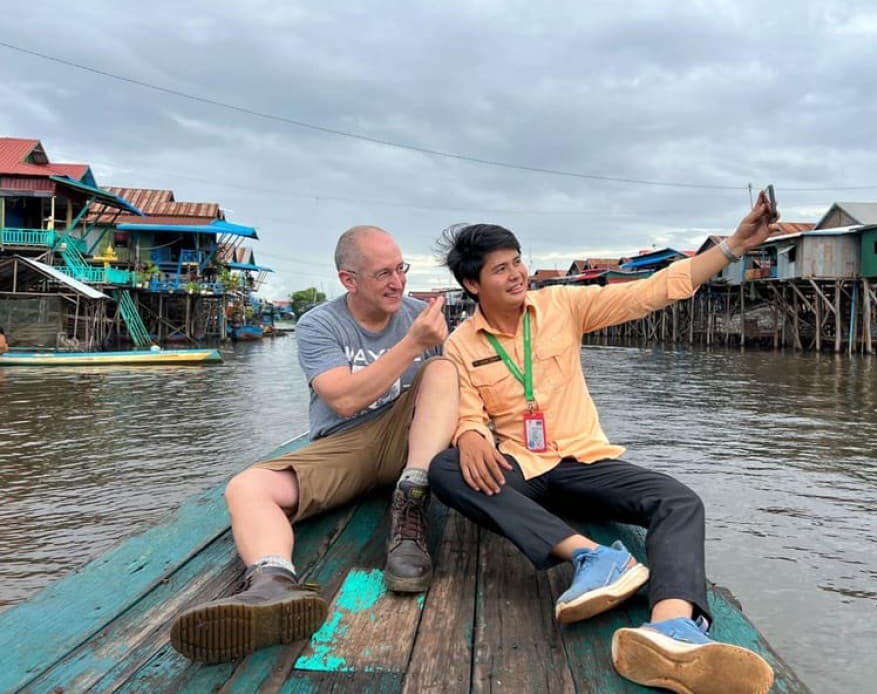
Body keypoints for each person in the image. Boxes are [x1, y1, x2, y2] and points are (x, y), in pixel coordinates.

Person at [428, 194, 779, 694]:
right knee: (445, 469)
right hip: (522, 468)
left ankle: (672, 627)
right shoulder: (462, 342)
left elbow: (653, 291)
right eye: (501, 268)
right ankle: (594, 557)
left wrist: (731, 246)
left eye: (518, 261)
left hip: (583, 461)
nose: (516, 274)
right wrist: (468, 434)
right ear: (472, 284)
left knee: (678, 501)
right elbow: (464, 407)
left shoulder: (561, 305)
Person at [170, 225, 459, 664]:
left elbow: (459, 389)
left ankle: (411, 498)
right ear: (349, 280)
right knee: (245, 488)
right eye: (382, 273)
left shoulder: (420, 315)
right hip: (348, 445)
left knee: (442, 371)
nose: (397, 282)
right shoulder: (320, 323)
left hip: (413, 445)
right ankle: (272, 584)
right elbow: (343, 400)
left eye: (399, 269)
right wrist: (412, 344)